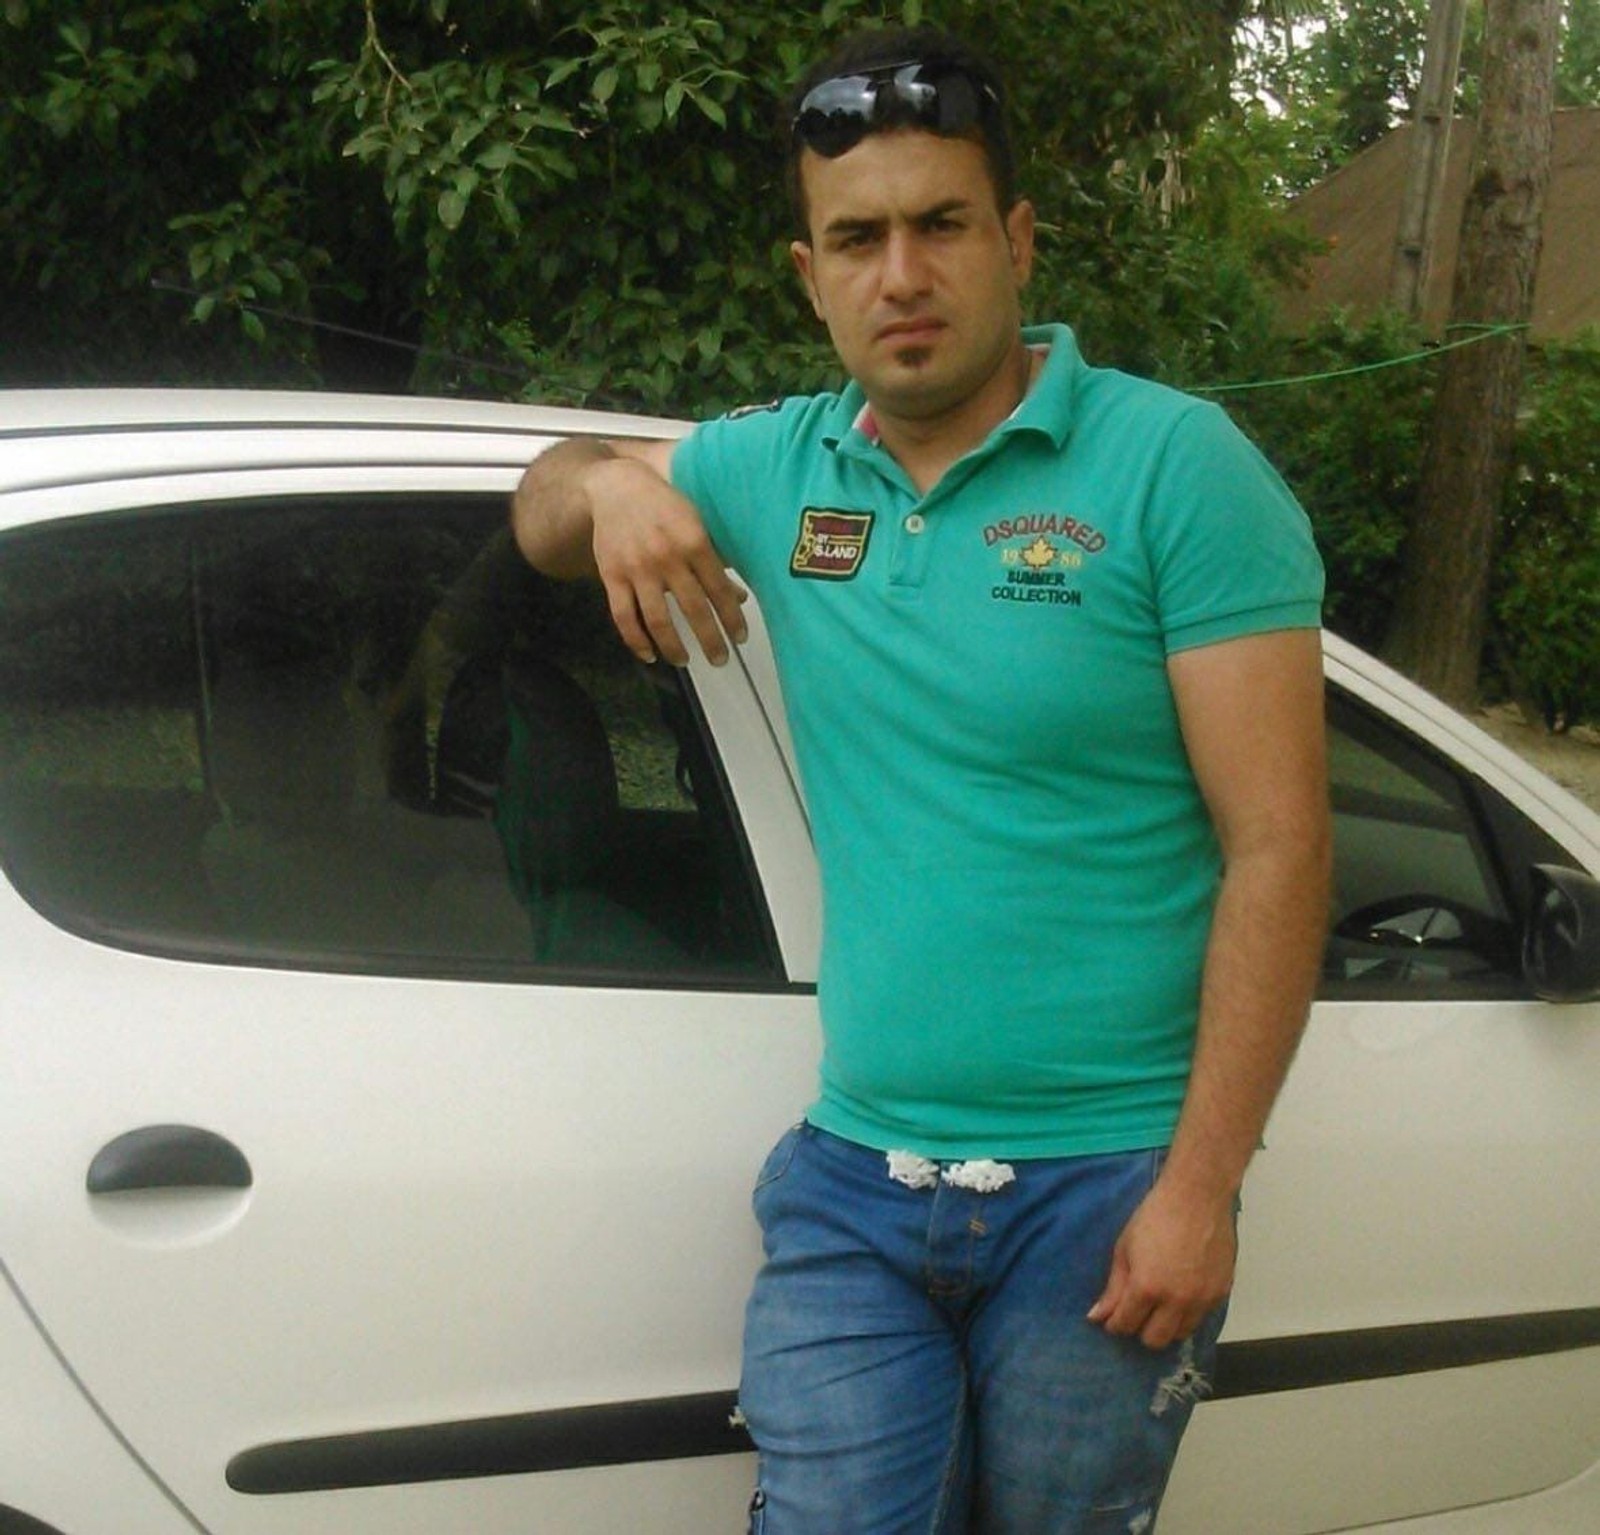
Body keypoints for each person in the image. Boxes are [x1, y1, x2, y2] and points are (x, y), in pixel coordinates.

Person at [511, 24, 1330, 1533]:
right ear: (809, 274)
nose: (901, 275)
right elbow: (543, 502)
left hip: (1105, 1187)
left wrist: (1199, 1189)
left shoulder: (1176, 468)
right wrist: (612, 486)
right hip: (856, 1178)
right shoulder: (781, 469)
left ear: (1017, 240)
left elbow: (1279, 845)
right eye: (857, 239)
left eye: (940, 225)